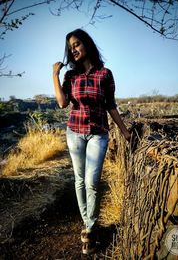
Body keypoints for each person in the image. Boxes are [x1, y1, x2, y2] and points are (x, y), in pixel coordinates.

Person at [52, 29, 131, 255]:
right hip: (74, 132)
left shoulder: (105, 74)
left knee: (92, 181)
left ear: (86, 44)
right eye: (70, 47)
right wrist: (55, 75)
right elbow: (61, 103)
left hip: (98, 132)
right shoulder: (70, 76)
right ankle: (90, 226)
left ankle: (90, 225)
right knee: (79, 180)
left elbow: (111, 105)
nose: (73, 50)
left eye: (77, 44)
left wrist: (124, 131)